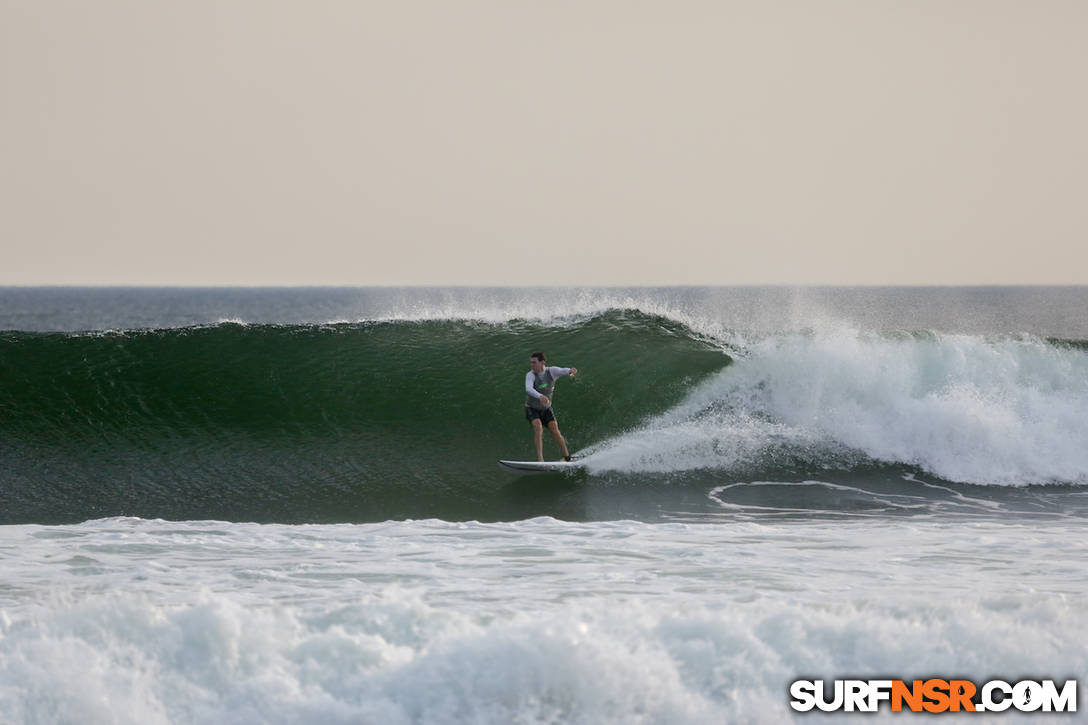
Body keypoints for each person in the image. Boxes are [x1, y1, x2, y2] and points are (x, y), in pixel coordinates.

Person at [524, 351, 578, 462]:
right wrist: (540, 396)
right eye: (531, 363)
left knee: (555, 430)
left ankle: (567, 458)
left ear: (542, 362)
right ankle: (540, 460)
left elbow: (563, 370)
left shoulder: (552, 371)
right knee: (538, 427)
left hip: (546, 408)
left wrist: (570, 370)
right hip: (532, 408)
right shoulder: (530, 375)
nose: (532, 365)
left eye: (534, 363)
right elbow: (528, 389)